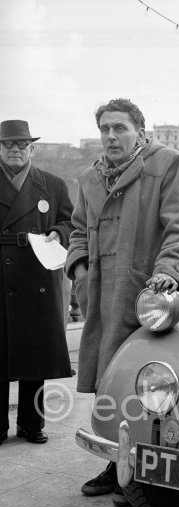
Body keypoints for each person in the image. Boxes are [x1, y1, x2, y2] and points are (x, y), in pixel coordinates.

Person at [66, 98, 179, 507]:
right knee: (109, 382)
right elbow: (75, 232)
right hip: (101, 298)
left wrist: (169, 273)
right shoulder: (90, 178)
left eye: (120, 128)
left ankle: (145, 475)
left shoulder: (167, 164)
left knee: (151, 384)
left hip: (147, 299)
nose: (111, 136)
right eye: (105, 128)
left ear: (140, 131)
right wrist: (80, 272)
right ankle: (117, 464)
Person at [0, 120, 73, 445]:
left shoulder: (53, 185)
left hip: (38, 272)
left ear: (32, 148)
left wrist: (59, 233)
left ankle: (32, 424)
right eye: (8, 144)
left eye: (21, 144)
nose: (15, 149)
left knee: (35, 353)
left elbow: (71, 221)